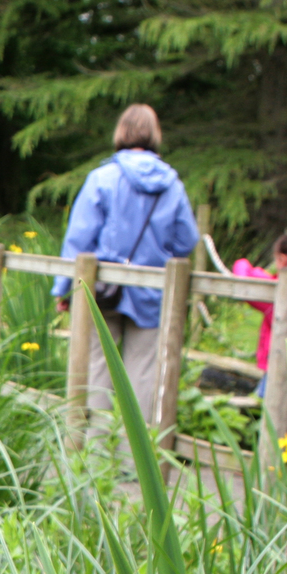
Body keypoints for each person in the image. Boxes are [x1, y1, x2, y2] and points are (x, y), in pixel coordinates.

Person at [52, 104, 199, 426]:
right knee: (143, 372)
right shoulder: (172, 183)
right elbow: (187, 239)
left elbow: (79, 240)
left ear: (121, 132)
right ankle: (134, 462)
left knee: (96, 366)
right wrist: (158, 256)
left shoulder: (102, 178)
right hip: (152, 290)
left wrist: (63, 289)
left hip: (101, 288)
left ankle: (95, 451)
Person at [233, 230, 287, 400]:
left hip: (282, 363)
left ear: (282, 259)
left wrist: (242, 262)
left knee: (274, 410)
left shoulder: (281, 293)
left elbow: (244, 280)